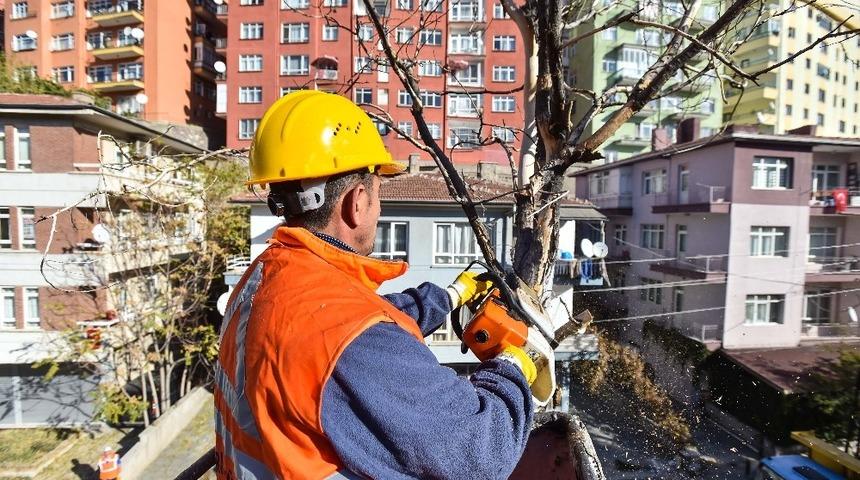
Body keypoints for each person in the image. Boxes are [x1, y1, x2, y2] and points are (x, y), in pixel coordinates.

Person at [214, 91, 548, 479]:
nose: (378, 207)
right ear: (357, 202)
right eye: (378, 193)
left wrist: (450, 297)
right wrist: (516, 364)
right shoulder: (348, 336)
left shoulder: (267, 276)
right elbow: (481, 451)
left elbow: (344, 327)